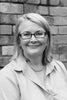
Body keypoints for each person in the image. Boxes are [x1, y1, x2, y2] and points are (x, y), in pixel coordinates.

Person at [0, 13, 67, 100]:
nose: (33, 40)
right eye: (26, 34)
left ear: (48, 39)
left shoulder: (59, 68)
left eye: (39, 33)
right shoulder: (7, 76)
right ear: (19, 40)